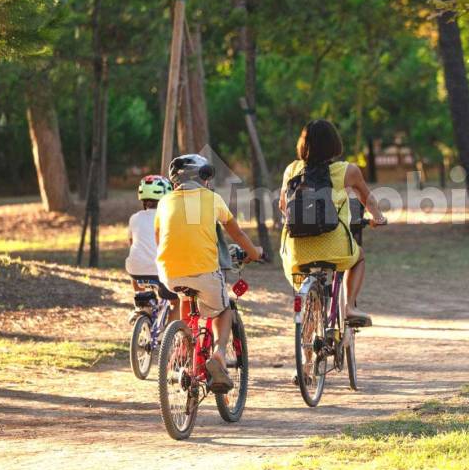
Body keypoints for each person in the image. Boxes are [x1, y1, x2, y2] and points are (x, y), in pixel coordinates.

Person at [155, 154, 262, 393]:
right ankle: (219, 355)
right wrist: (254, 253)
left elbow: (158, 238)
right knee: (223, 309)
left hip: (169, 274)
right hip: (205, 272)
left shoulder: (164, 202)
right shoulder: (213, 199)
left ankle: (184, 344)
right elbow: (237, 235)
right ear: (202, 178)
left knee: (185, 296)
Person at [278, 119, 387, 326]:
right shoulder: (348, 171)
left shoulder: (291, 170)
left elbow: (283, 207)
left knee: (305, 273)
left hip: (296, 251)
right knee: (359, 257)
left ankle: (310, 323)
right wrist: (378, 218)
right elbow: (368, 199)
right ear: (334, 144)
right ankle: (350, 308)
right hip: (335, 246)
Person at [125, 174, 179, 316]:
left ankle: (139, 304)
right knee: (176, 302)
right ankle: (165, 335)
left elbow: (132, 244)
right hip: (160, 270)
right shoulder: (170, 217)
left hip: (136, 270)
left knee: (135, 265)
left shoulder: (134, 218)